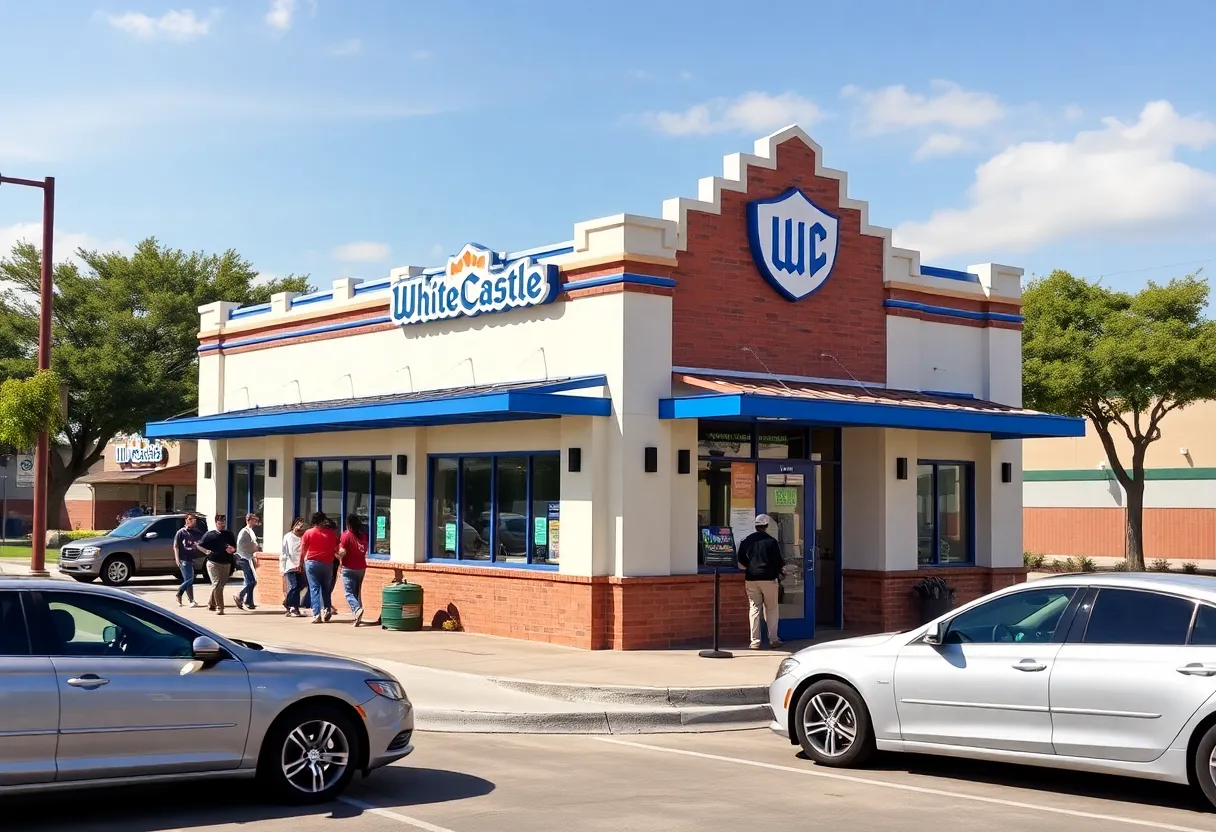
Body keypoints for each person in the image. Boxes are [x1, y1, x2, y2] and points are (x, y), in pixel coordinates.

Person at [737, 514, 785, 649]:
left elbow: (741, 561)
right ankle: (773, 639)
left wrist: (751, 567)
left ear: (755, 526)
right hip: (769, 578)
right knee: (771, 608)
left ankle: (755, 641)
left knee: (754, 608)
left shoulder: (746, 541)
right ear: (766, 526)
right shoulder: (771, 542)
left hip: (751, 578)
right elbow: (778, 562)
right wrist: (779, 573)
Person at [300, 512, 340, 623]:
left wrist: (300, 564)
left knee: (314, 589)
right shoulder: (331, 534)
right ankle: (326, 609)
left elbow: (303, 550)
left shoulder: (308, 533)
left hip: (312, 563)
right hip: (327, 563)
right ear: (323, 521)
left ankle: (316, 614)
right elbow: (336, 549)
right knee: (326, 589)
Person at [197, 514, 238, 615]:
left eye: (223, 523)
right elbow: (199, 545)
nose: (222, 525)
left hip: (226, 563)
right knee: (216, 585)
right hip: (213, 563)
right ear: (216, 524)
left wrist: (232, 550)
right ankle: (221, 608)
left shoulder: (229, 534)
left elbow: (234, 547)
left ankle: (211, 604)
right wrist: (207, 551)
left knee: (220, 585)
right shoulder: (210, 535)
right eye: (220, 523)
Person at [338, 513, 369, 626]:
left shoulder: (346, 535)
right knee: (357, 593)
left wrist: (337, 557)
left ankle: (357, 609)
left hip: (348, 567)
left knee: (348, 592)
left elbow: (342, 551)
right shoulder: (363, 536)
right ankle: (357, 616)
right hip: (361, 567)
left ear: (348, 524)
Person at [173, 512, 204, 607]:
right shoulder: (181, 532)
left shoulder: (197, 532)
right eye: (190, 519)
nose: (192, 521)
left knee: (188, 579)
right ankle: (187, 597)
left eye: (194, 519)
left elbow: (201, 543)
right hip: (184, 558)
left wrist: (199, 546)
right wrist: (177, 558)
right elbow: (176, 546)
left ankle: (182, 596)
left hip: (195, 558)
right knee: (190, 579)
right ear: (186, 520)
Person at [234, 513, 261, 611]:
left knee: (249, 580)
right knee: (252, 581)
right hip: (244, 558)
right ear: (248, 520)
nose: (255, 522)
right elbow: (240, 545)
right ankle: (240, 595)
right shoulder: (244, 532)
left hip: (248, 557)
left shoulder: (250, 531)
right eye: (254, 520)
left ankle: (249, 602)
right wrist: (252, 549)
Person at [281, 517, 305, 617]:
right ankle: (293, 607)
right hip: (290, 566)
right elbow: (284, 552)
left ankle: (287, 602)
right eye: (297, 525)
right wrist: (282, 567)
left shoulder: (304, 537)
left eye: (301, 525)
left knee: (301, 586)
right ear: (294, 526)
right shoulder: (288, 536)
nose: (299, 527)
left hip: (301, 566)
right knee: (294, 586)